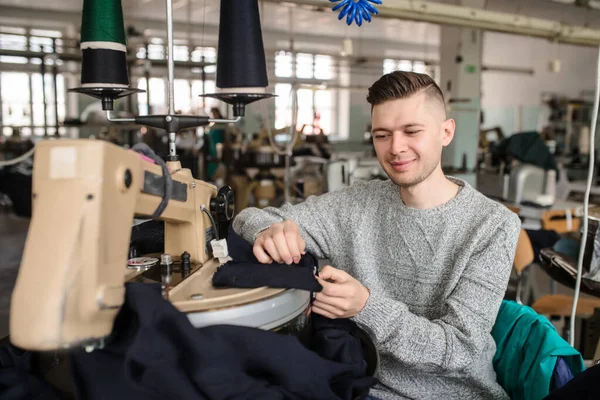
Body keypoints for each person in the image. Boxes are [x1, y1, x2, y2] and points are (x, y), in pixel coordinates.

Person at [232, 71, 521, 400]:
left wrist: (365, 306)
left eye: (411, 131)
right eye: (383, 135)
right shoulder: (358, 204)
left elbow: (457, 351)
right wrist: (268, 230)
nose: (396, 148)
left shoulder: (492, 224)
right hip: (362, 387)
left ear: (446, 132)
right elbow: (251, 216)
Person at [206, 107, 226, 180]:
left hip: (219, 150)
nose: (213, 115)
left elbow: (223, 139)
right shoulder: (213, 126)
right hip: (212, 150)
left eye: (214, 113)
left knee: (218, 168)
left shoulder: (222, 125)